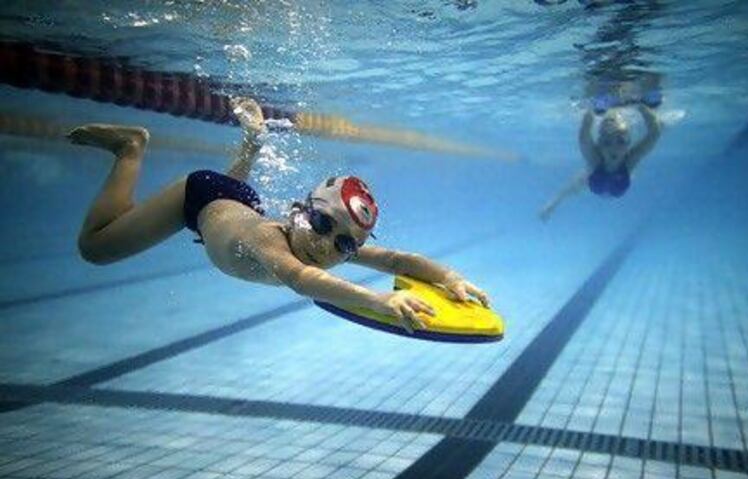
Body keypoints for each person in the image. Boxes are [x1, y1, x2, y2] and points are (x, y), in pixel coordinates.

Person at [71, 97, 490, 334]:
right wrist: (381, 299)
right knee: (96, 248)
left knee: (231, 204)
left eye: (344, 245)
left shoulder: (319, 247)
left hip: (236, 202)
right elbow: (303, 279)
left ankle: (254, 142)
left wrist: (449, 278)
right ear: (300, 215)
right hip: (198, 198)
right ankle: (131, 149)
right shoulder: (274, 243)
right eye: (324, 226)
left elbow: (398, 261)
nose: (327, 247)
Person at [539, 103, 660, 221]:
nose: (614, 147)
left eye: (621, 141)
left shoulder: (629, 160)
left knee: (581, 181)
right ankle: (553, 204)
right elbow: (584, 137)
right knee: (577, 183)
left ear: (628, 145)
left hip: (615, 183)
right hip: (601, 180)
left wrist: (641, 106)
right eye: (607, 142)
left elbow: (654, 133)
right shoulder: (595, 160)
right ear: (599, 146)